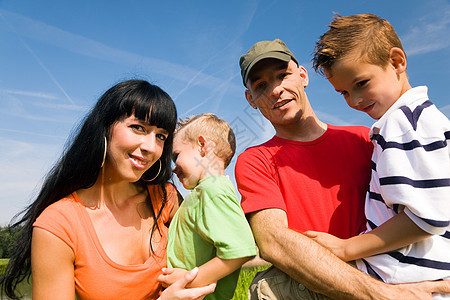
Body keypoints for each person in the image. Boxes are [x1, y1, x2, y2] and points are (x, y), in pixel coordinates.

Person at [235, 38, 450, 299]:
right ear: (251, 99)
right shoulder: (255, 160)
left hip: (392, 277)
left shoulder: (367, 139)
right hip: (330, 288)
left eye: (283, 75)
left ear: (303, 76)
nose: (275, 90)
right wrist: (384, 295)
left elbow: (429, 206)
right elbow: (273, 242)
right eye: (261, 85)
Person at [0, 79, 215, 299]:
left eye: (161, 136)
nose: (151, 147)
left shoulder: (165, 198)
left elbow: (216, 247)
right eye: (138, 128)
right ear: (104, 128)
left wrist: (191, 275)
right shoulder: (57, 225)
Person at [305, 13, 450, 298]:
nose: (355, 101)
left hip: (400, 279)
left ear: (396, 62)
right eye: (344, 92)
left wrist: (347, 248)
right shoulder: (423, 119)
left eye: (361, 83)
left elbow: (430, 218)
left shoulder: (401, 123)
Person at [159, 113, 257, 299]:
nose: (173, 167)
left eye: (176, 156)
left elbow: (241, 249)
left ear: (203, 146)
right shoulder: (204, 192)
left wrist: (189, 280)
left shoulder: (214, 190)